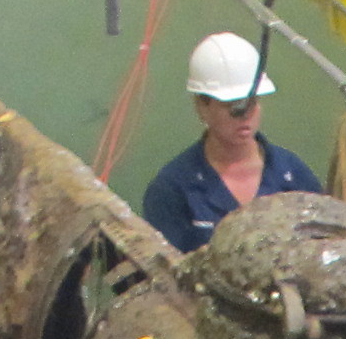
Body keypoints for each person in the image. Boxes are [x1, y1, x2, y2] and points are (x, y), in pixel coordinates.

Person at [137, 32, 321, 254]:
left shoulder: (292, 175)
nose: (245, 116)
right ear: (202, 106)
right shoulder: (174, 188)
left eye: (251, 103)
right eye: (233, 107)